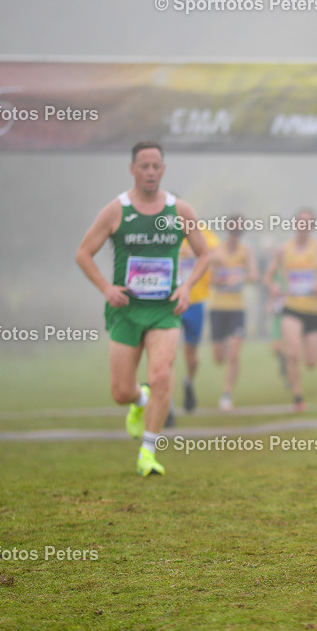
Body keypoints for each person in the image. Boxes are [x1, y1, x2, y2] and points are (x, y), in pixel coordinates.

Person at [75, 141, 209, 476]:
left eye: (156, 166)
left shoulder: (180, 211)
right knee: (121, 392)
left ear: (163, 169)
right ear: (132, 169)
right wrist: (107, 288)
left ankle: (148, 452)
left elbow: (205, 255)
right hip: (127, 309)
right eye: (144, 166)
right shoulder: (116, 211)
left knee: (161, 375)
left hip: (165, 310)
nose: (150, 172)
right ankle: (139, 401)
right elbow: (83, 254)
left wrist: (186, 287)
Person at [263, 209, 317, 411]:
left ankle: (295, 355)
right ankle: (298, 396)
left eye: (309, 222)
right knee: (293, 352)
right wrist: (273, 286)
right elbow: (268, 276)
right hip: (292, 307)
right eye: (301, 222)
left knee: (311, 362)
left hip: (315, 310)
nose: (304, 226)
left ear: (313, 226)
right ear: (295, 224)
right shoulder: (283, 250)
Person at [208, 217, 259, 411]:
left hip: (237, 308)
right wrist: (220, 278)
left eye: (239, 231)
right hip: (217, 308)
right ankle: (226, 388)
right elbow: (208, 278)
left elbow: (254, 275)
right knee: (218, 357)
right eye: (233, 230)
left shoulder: (246, 251)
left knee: (234, 353)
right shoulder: (216, 251)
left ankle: (227, 393)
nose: (236, 235)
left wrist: (239, 276)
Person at [175, 224, 219, 414]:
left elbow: (218, 256)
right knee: (166, 355)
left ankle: (188, 381)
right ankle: (166, 405)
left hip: (195, 302)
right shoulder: (160, 230)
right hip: (169, 303)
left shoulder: (200, 231)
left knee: (191, 357)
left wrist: (195, 252)